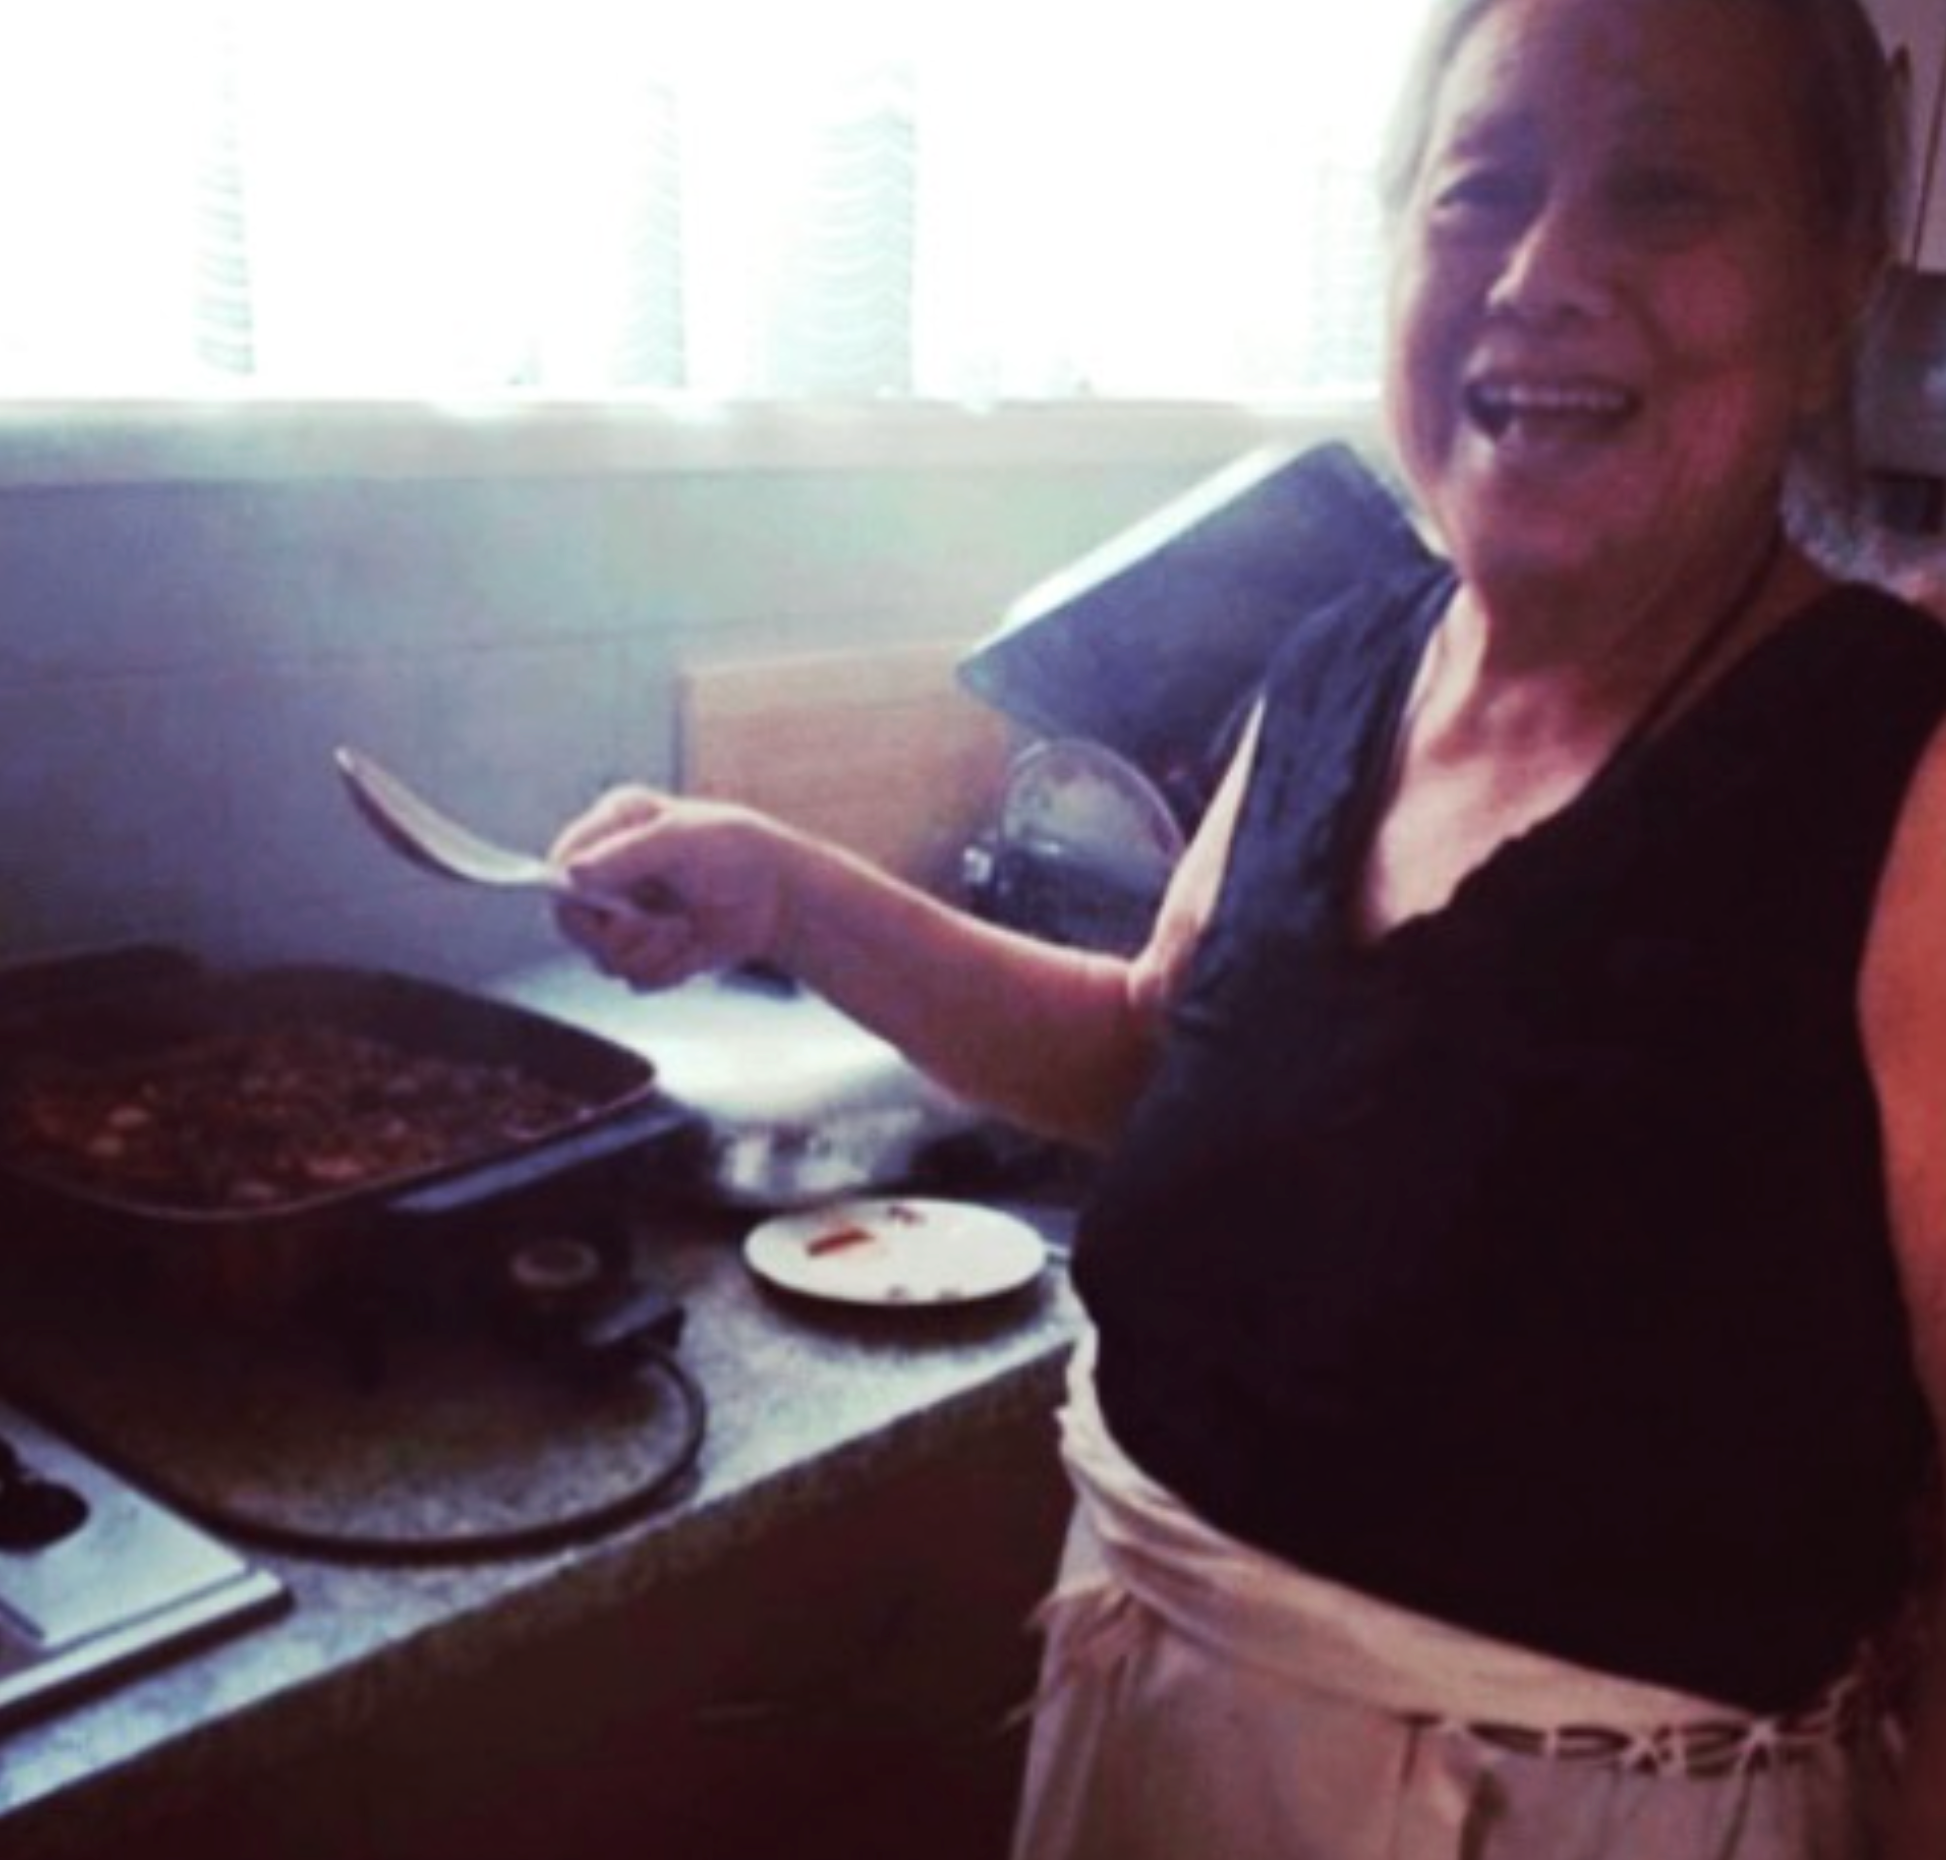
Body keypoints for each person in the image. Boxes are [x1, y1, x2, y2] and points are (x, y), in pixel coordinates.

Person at [549, 0, 1946, 1852]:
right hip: (1150, 1729)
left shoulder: (1902, 771)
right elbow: (1151, 1058)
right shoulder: (1342, 659)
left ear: (1833, 289)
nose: (1538, 271)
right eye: (1480, 188)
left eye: (1664, 193)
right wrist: (785, 887)